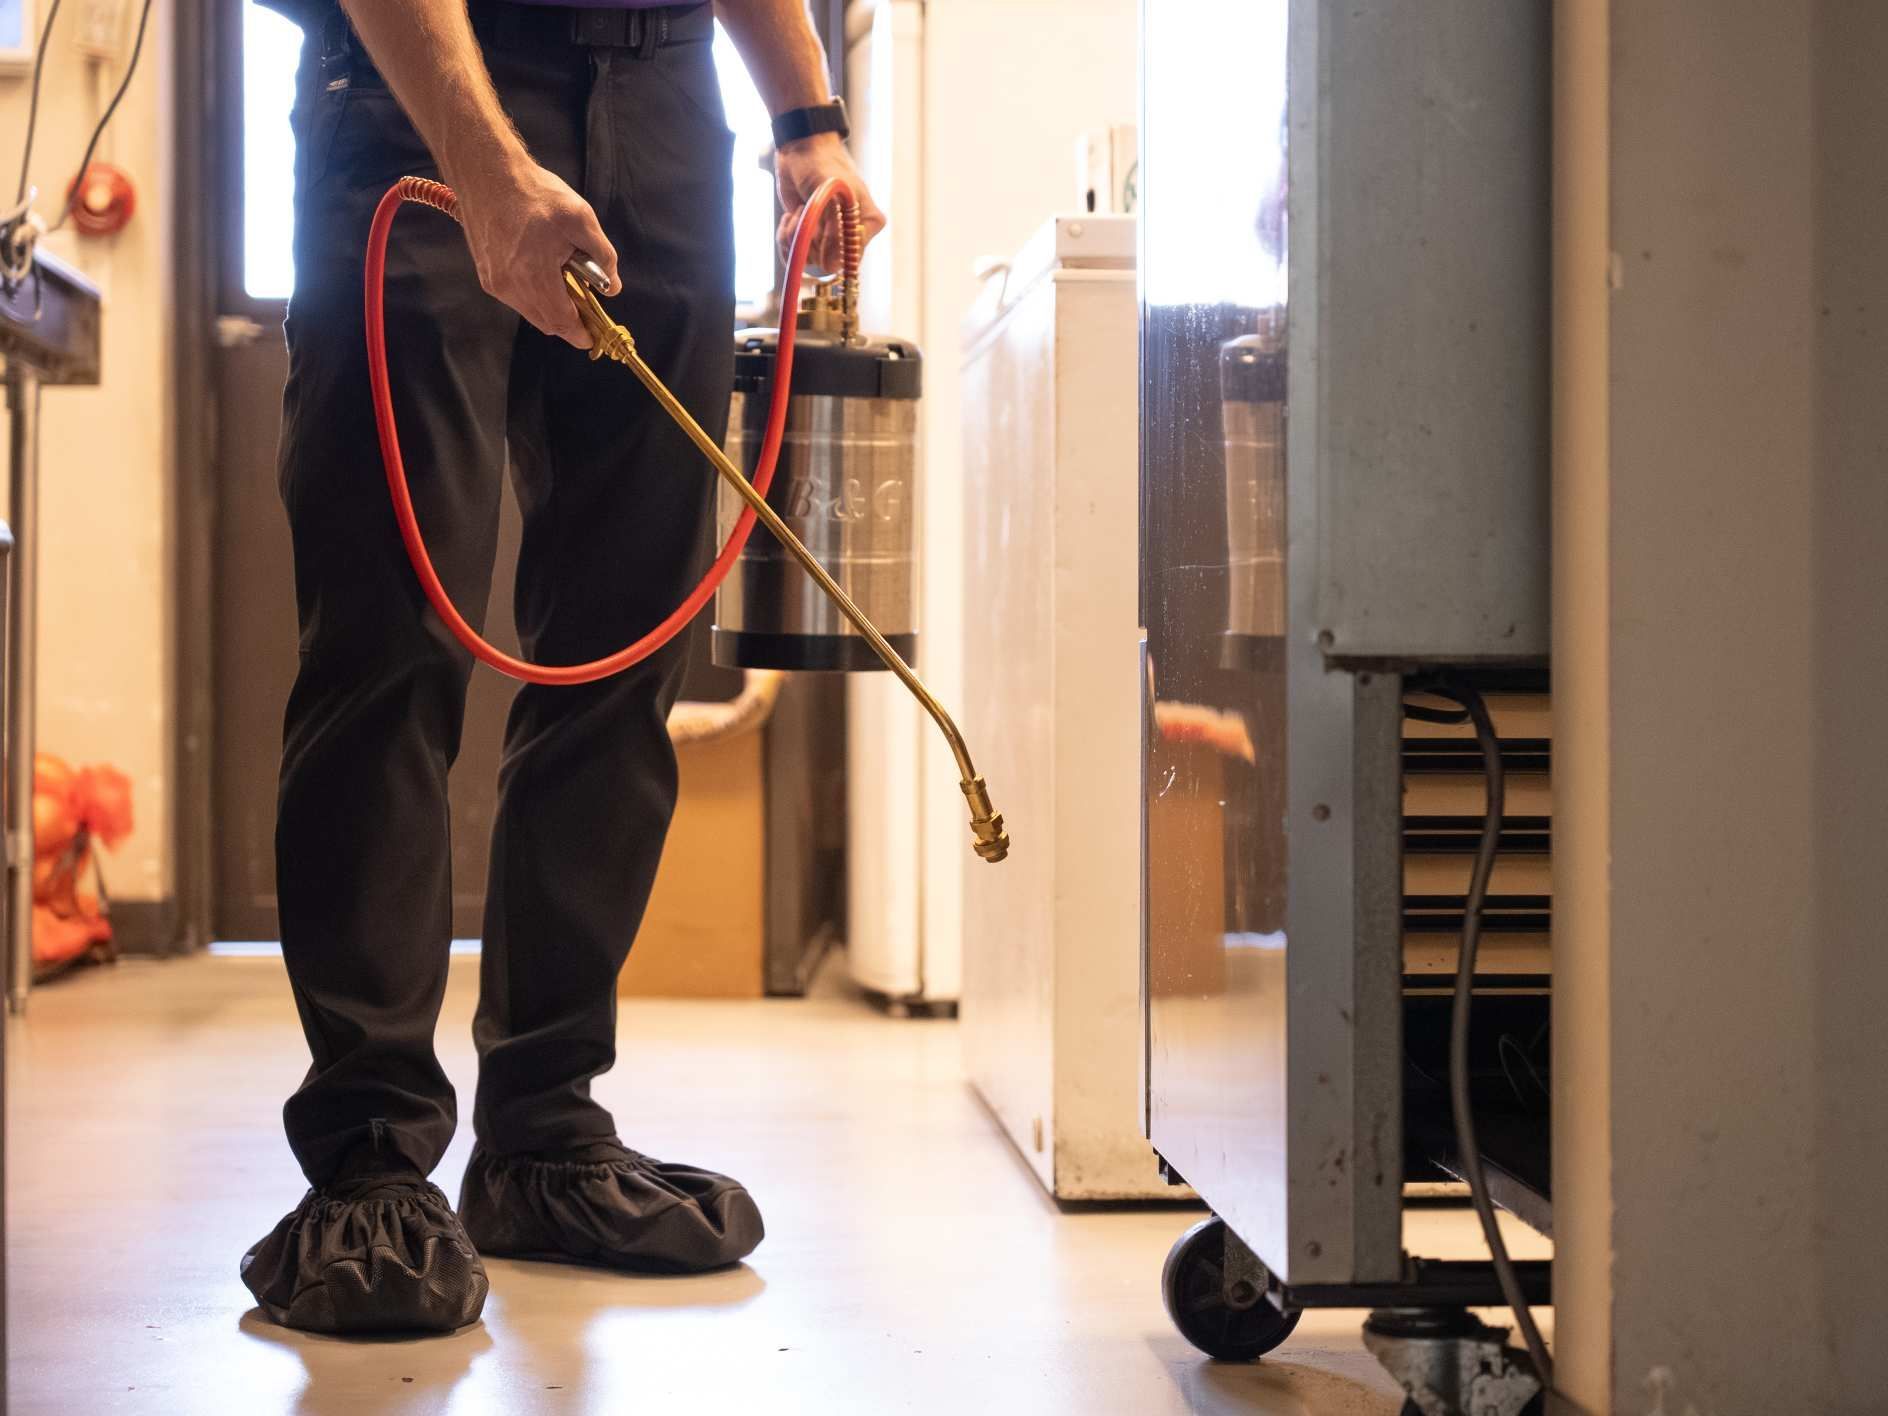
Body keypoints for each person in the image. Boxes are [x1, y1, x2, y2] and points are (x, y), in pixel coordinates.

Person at [240, 0, 885, 1334]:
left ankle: (541, 1134)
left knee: (623, 646)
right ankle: (368, 1158)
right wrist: (485, 173)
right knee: (392, 634)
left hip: (658, 90)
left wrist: (805, 117)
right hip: (419, 85)